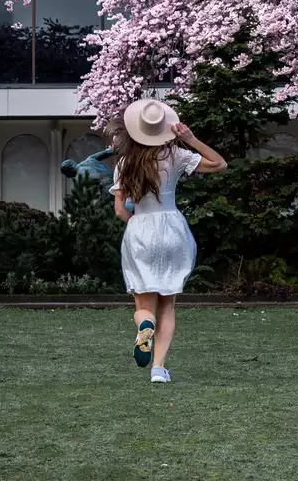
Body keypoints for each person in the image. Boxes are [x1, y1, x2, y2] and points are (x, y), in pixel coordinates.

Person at [108, 98, 227, 383]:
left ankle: (144, 325)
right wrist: (191, 138)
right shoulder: (176, 156)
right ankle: (158, 370)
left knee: (144, 306)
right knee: (168, 306)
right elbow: (219, 164)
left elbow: (119, 210)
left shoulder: (124, 163)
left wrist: (134, 222)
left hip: (141, 230)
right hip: (172, 228)